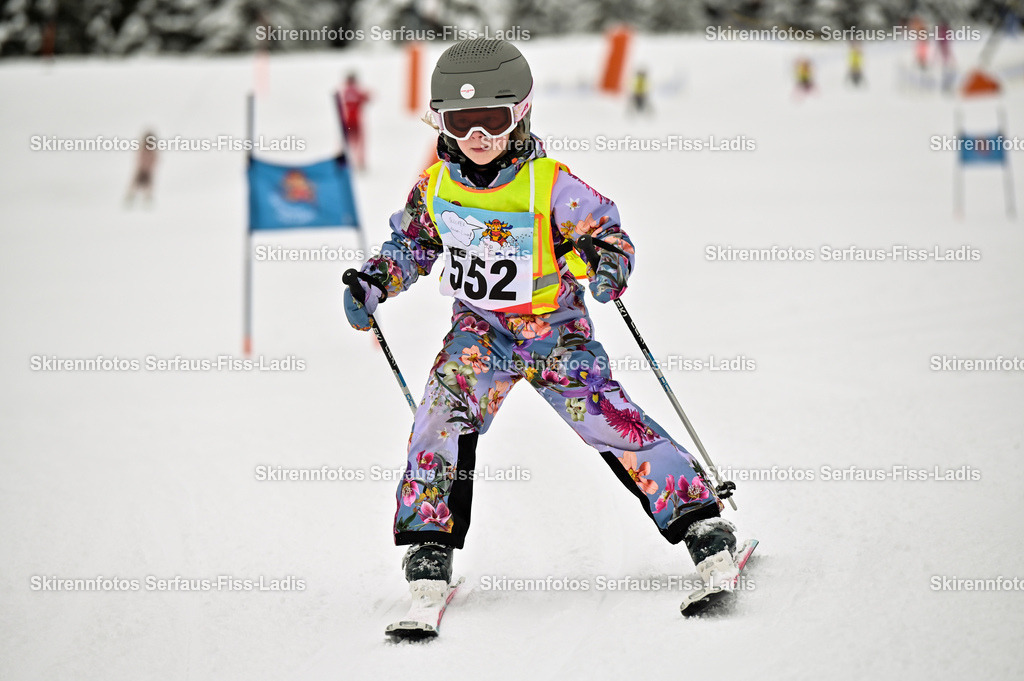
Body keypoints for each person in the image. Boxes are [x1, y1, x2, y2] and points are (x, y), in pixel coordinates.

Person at [343, 39, 741, 606]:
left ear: (521, 114)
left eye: (491, 121)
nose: (475, 137)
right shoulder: (435, 188)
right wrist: (374, 281)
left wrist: (608, 263)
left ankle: (700, 519)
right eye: (460, 122)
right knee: (439, 415)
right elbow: (411, 244)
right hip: (480, 332)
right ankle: (430, 541)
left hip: (554, 330)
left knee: (608, 418)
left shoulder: (549, 183)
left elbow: (607, 234)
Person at [339, 73, 370, 171]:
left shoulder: (344, 91)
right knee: (359, 143)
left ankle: (343, 163)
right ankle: (360, 162)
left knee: (346, 143)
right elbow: (367, 98)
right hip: (357, 121)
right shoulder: (358, 91)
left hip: (347, 121)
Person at [125, 130, 157, 206]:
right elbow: (139, 158)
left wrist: (149, 167)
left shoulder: (152, 150)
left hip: (147, 170)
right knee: (135, 184)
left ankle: (148, 199)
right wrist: (142, 166)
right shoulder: (143, 148)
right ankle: (130, 198)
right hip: (141, 169)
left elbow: (154, 160)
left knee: (148, 185)